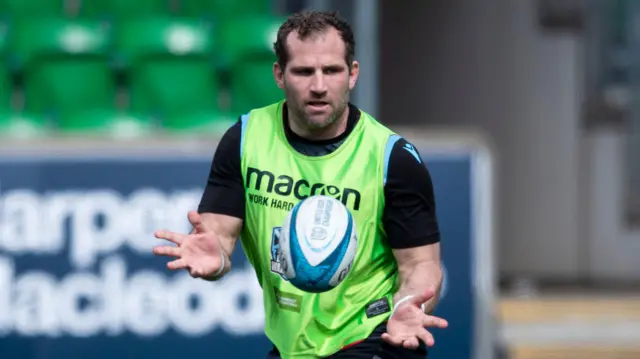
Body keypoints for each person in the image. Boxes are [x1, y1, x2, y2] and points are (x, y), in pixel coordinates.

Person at [152, 10, 447, 359]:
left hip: (376, 336)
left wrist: (409, 305)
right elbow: (219, 237)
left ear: (352, 74)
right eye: (304, 71)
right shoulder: (246, 140)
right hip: (292, 346)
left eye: (332, 71)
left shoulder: (391, 158)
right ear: (280, 75)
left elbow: (419, 265)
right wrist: (215, 257)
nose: (319, 86)